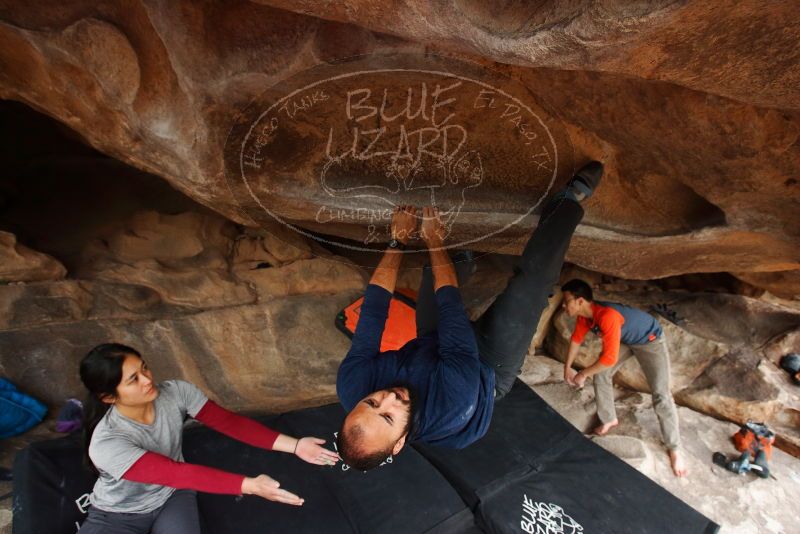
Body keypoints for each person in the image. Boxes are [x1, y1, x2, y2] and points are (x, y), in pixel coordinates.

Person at [336, 161, 603, 470]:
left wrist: (398, 240)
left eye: (371, 402)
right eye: (387, 415)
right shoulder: (451, 405)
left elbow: (373, 311)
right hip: (487, 367)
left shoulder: (353, 385)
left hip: (431, 350)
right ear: (399, 443)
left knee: (434, 278)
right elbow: (450, 310)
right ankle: (567, 203)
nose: (388, 398)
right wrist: (433, 239)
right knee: (529, 287)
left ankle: (463, 258)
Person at [78, 343, 340, 534]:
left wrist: (295, 446)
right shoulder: (107, 442)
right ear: (109, 397)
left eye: (144, 368)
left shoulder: (176, 391)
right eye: (133, 379)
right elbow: (174, 473)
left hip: (173, 497)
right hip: (119, 513)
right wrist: (250, 485)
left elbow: (230, 423)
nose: (148, 379)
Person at [560, 279, 688, 477]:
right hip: (626, 338)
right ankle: (609, 419)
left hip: (649, 340)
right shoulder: (585, 317)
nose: (563, 305)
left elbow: (609, 358)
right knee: (601, 374)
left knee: (661, 393)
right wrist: (567, 368)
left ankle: (675, 448)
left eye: (566, 300)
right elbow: (576, 339)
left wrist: (583, 373)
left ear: (580, 301)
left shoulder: (607, 316)